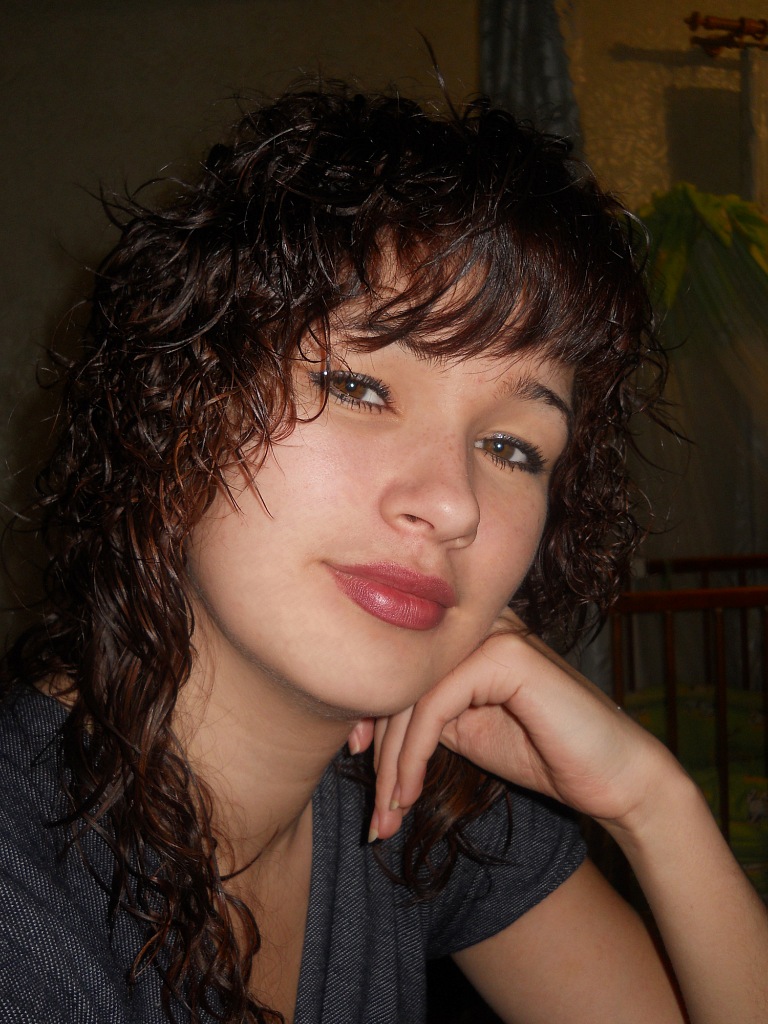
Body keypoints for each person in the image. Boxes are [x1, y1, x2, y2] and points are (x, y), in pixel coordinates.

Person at [1, 83, 766, 1024]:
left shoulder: (408, 797)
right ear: (178, 406)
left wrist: (653, 804)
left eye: (512, 447)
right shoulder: (25, 915)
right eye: (360, 387)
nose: (453, 505)